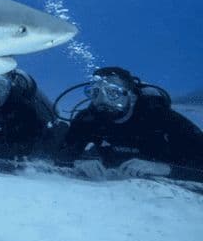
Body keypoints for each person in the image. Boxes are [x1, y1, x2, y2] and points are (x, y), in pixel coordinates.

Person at [55, 67, 203, 181]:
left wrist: (164, 168)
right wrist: (79, 162)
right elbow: (61, 153)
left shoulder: (160, 117)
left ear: (132, 97)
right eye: (94, 92)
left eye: (112, 93)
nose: (101, 100)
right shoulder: (88, 119)